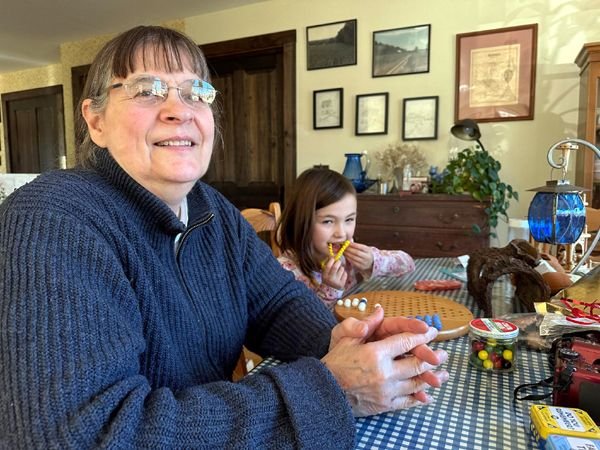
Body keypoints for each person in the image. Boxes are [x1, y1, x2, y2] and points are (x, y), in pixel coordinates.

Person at [0, 25, 448, 449]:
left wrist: (345, 341)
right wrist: (331, 389)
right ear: (94, 121)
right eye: (146, 89)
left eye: (196, 92)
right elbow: (82, 435)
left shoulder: (211, 209)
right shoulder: (49, 221)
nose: (179, 109)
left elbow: (275, 304)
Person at [277, 168, 415, 310]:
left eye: (349, 219)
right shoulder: (284, 271)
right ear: (300, 221)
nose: (341, 233)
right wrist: (330, 289)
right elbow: (300, 324)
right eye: (328, 221)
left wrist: (373, 261)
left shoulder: (348, 255)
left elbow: (408, 264)